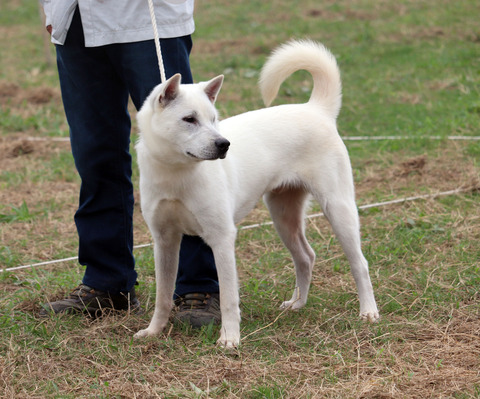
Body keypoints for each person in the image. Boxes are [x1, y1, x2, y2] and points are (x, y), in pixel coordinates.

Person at [39, 0, 221, 327]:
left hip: (146, 16)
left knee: (185, 146)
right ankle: (108, 281)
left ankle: (198, 285)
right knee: (94, 154)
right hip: (74, 19)